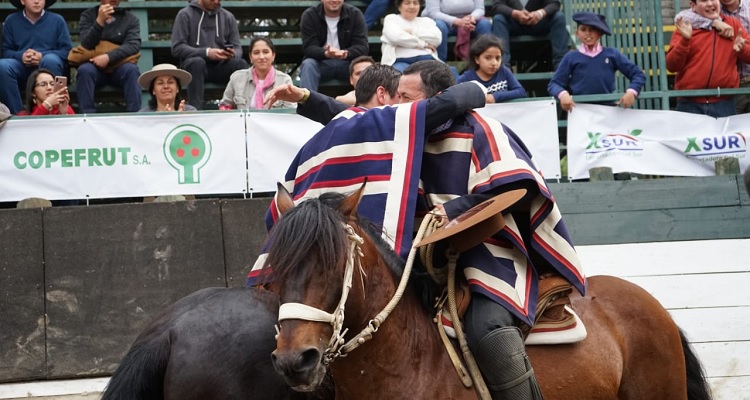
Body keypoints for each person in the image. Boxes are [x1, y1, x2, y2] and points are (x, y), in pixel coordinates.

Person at [260, 59, 585, 399]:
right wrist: (306, 98)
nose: (394, 106)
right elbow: (355, 120)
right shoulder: (402, 135)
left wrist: (454, 209)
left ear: (435, 99)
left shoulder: (481, 129)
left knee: (486, 329)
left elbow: (518, 188)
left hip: (486, 256)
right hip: (421, 261)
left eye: (404, 97)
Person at [547, 12, 646, 112]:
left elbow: (638, 74)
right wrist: (563, 94)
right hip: (580, 112)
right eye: (583, 29)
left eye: (592, 29)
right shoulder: (571, 57)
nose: (588, 33)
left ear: (600, 32)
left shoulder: (612, 54)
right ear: (577, 33)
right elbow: (554, 84)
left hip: (607, 110)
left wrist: (632, 92)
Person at [667, 0, 750, 117]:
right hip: (690, 104)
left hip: (724, 102)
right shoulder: (686, 27)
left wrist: (742, 49)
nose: (710, 4)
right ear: (693, 6)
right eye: (704, 0)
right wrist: (685, 41)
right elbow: (672, 66)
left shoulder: (733, 24)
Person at [171, 0, 248, 110]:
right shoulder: (185, 14)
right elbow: (177, 48)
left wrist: (231, 54)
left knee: (240, 64)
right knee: (196, 62)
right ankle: (195, 110)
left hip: (221, 66)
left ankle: (241, 109)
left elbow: (238, 48)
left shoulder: (228, 17)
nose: (215, 1)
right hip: (194, 68)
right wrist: (207, 52)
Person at [0, 0, 72, 115]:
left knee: (51, 60)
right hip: (22, 68)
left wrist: (42, 56)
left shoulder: (57, 20)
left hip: (47, 69)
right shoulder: (11, 21)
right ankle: (16, 116)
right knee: (2, 66)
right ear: (23, 1)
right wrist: (21, 56)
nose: (37, 1)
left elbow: (66, 51)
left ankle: (55, 111)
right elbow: (6, 51)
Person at [75, 0, 142, 113]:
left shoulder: (131, 19)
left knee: (132, 70)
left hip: (120, 66)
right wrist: (99, 21)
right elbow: (86, 43)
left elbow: (133, 45)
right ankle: (87, 116)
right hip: (94, 66)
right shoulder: (88, 15)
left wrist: (108, 57)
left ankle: (135, 115)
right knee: (84, 70)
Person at [298, 0, 369, 92]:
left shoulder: (355, 14)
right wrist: (326, 53)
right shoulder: (310, 15)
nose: (334, 0)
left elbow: (362, 47)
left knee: (364, 66)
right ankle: (307, 105)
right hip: (321, 63)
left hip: (348, 63)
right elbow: (308, 47)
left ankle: (367, 102)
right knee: (308, 65)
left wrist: (345, 53)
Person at [219, 37, 295, 110]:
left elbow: (290, 113)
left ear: (273, 56)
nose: (261, 57)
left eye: (266, 52)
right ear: (250, 57)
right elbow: (225, 106)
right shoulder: (237, 78)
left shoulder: (284, 81)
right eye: (256, 53)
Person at [491, 0, 569, 70]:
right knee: (498, 19)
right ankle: (503, 67)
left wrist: (540, 13)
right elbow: (497, 5)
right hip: (513, 23)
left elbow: (554, 3)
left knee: (559, 17)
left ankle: (561, 67)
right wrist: (515, 13)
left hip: (539, 23)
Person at [458, 34, 526, 103]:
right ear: (477, 59)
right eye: (488, 58)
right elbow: (455, 96)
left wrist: (495, 97)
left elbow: (520, 91)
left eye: (497, 58)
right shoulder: (467, 78)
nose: (494, 63)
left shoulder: (504, 71)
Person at [421, 0, 492, 62]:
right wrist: (456, 21)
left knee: (485, 24)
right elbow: (434, 13)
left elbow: (480, 9)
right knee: (439, 26)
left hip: (470, 21)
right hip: (444, 21)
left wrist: (471, 18)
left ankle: (486, 62)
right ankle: (440, 64)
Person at [381, 0, 441, 71]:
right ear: (399, 7)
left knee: (446, 73)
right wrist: (423, 44)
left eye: (415, 3)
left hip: (426, 59)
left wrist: (412, 31)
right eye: (407, 3)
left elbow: (437, 38)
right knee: (398, 75)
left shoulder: (427, 21)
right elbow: (396, 38)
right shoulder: (391, 19)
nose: (412, 6)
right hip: (399, 60)